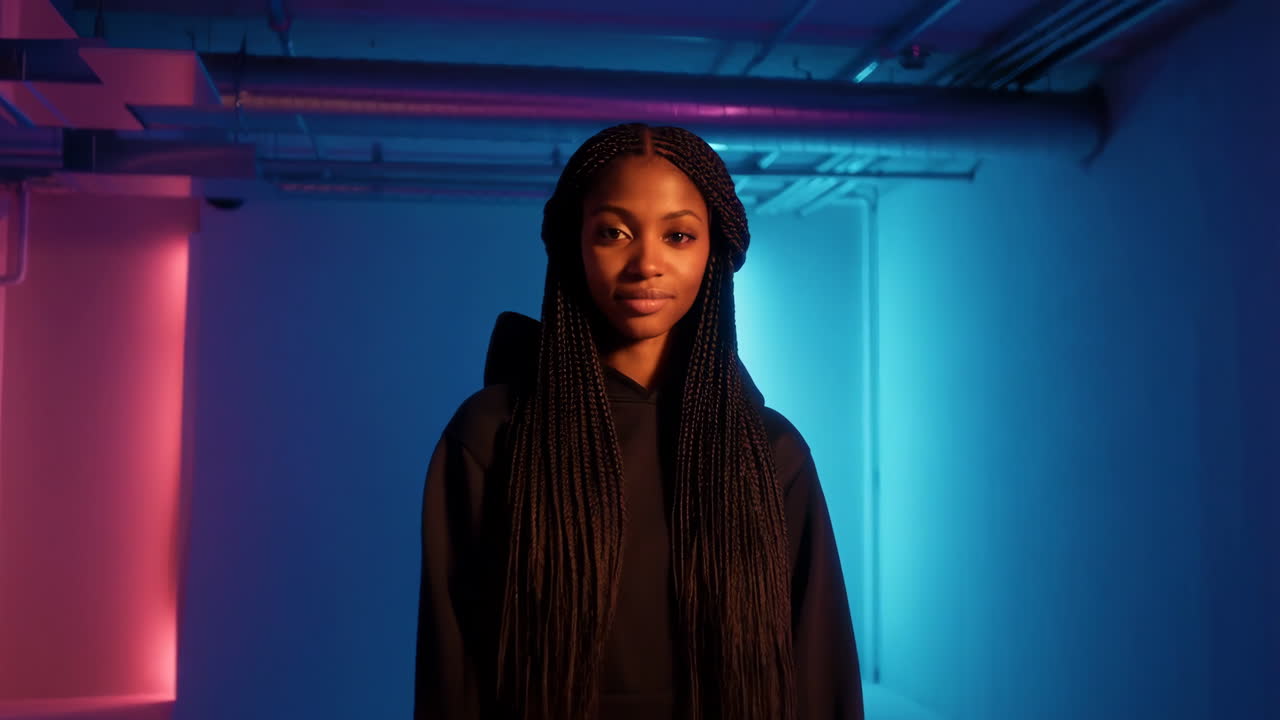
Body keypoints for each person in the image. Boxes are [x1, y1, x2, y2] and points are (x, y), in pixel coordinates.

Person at [414, 122, 862, 720]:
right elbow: (453, 671)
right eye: (613, 232)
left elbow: (818, 673)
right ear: (574, 243)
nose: (646, 262)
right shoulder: (490, 438)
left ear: (715, 252)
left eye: (678, 234)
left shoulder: (772, 453)